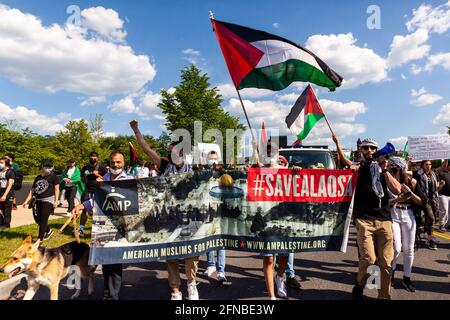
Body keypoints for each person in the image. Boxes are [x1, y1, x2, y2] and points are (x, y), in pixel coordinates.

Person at [130, 119, 199, 300]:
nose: (180, 154)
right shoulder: (164, 166)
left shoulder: (194, 170)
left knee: (191, 255)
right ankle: (175, 289)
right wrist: (137, 131)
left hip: (188, 219)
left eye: (183, 151)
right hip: (168, 218)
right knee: (172, 256)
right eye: (177, 151)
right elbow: (146, 150)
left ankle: (191, 283)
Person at [333, 135, 402, 300]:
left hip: (384, 219)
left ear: (377, 151)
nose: (369, 151)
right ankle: (360, 284)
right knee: (369, 259)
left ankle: (383, 295)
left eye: (372, 148)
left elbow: (398, 189)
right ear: (361, 150)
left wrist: (385, 169)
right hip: (364, 219)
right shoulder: (359, 166)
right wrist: (338, 145)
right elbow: (346, 163)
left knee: (386, 262)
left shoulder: (385, 168)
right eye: (366, 148)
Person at [72, 151, 133, 300]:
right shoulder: (103, 180)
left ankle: (113, 294)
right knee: (106, 261)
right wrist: (82, 206)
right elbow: (96, 200)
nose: (116, 165)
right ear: (109, 163)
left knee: (116, 263)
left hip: (121, 227)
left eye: (119, 162)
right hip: (104, 226)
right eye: (113, 162)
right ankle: (107, 290)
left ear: (123, 163)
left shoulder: (130, 180)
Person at [253, 140, 290, 299]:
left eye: (272, 151)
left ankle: (280, 277)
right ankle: (272, 296)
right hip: (265, 222)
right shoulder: (259, 171)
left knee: (283, 257)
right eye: (267, 151)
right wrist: (254, 148)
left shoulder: (285, 171)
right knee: (268, 258)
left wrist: (296, 172)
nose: (270, 154)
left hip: (283, 220)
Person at [387, 157, 423, 292]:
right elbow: (384, 201)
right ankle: (391, 275)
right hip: (393, 213)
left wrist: (410, 193)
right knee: (396, 248)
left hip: (408, 215)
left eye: (397, 168)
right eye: (392, 167)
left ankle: (407, 278)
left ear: (402, 168)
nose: (394, 170)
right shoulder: (387, 181)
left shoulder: (411, 181)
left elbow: (421, 201)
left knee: (409, 249)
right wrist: (397, 199)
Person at [22, 161, 60, 241]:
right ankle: (48, 231)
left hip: (48, 200)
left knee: (43, 219)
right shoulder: (38, 177)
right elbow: (32, 190)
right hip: (37, 200)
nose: (47, 169)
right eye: (45, 167)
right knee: (37, 219)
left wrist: (56, 201)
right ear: (42, 167)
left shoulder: (54, 177)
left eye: (49, 167)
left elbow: (57, 190)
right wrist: (26, 201)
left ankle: (40, 240)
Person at [415, 160, 444, 250]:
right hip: (424, 199)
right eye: (426, 164)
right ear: (423, 165)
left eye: (430, 164)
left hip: (433, 200)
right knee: (431, 218)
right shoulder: (418, 174)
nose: (429, 166)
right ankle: (430, 240)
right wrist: (408, 162)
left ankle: (425, 233)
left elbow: (437, 188)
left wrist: (446, 157)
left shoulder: (434, 174)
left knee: (431, 219)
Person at [79, 152, 108, 237]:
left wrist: (98, 174)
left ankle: (99, 229)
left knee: (99, 211)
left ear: (97, 158)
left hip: (99, 190)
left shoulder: (102, 167)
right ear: (89, 157)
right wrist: (83, 178)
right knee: (84, 209)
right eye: (91, 157)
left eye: (94, 157)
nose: (93, 158)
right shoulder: (85, 168)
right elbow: (83, 180)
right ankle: (81, 229)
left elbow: (107, 179)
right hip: (88, 190)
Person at [0, 157, 15, 230]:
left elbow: (10, 185)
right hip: (1, 191)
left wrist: (5, 195)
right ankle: (2, 224)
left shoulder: (10, 172)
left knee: (7, 210)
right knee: (1, 209)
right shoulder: (0, 172)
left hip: (8, 193)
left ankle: (6, 226)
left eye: (1, 163)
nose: (0, 164)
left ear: (6, 164)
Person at [437, 160, 449, 232]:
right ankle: (441, 225)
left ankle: (447, 225)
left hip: (449, 196)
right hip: (443, 194)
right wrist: (441, 185)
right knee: (444, 210)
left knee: (448, 212)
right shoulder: (440, 173)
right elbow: (438, 185)